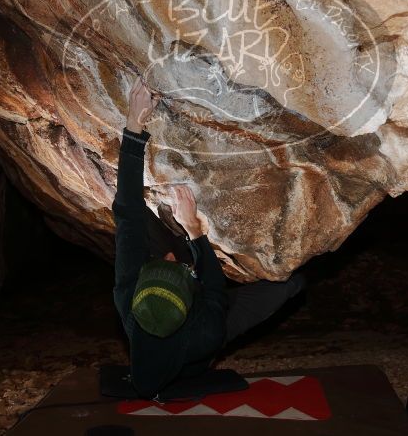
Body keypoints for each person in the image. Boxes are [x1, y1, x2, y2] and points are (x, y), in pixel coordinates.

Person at [112, 78, 306, 399]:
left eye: (164, 264)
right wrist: (193, 229)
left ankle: (176, 254)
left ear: (139, 289)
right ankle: (189, 260)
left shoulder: (127, 297)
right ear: (190, 300)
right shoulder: (208, 331)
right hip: (211, 320)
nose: (172, 259)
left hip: (187, 308)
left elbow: (127, 212)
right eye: (178, 270)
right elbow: (214, 286)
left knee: (143, 221)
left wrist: (134, 125)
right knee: (291, 283)